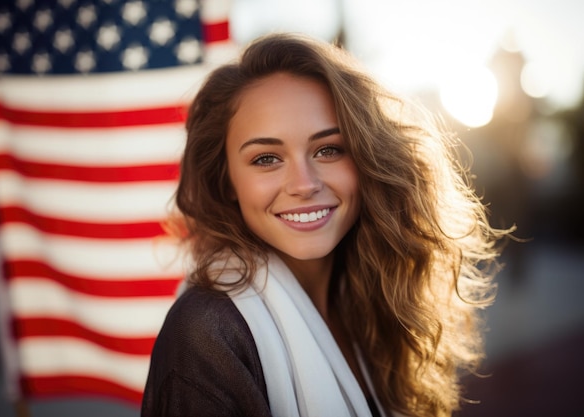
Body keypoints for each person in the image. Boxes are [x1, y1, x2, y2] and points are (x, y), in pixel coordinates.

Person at [141, 33, 511, 417]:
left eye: (328, 149)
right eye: (266, 158)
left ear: (368, 160)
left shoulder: (375, 300)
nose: (304, 184)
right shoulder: (207, 332)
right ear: (226, 180)